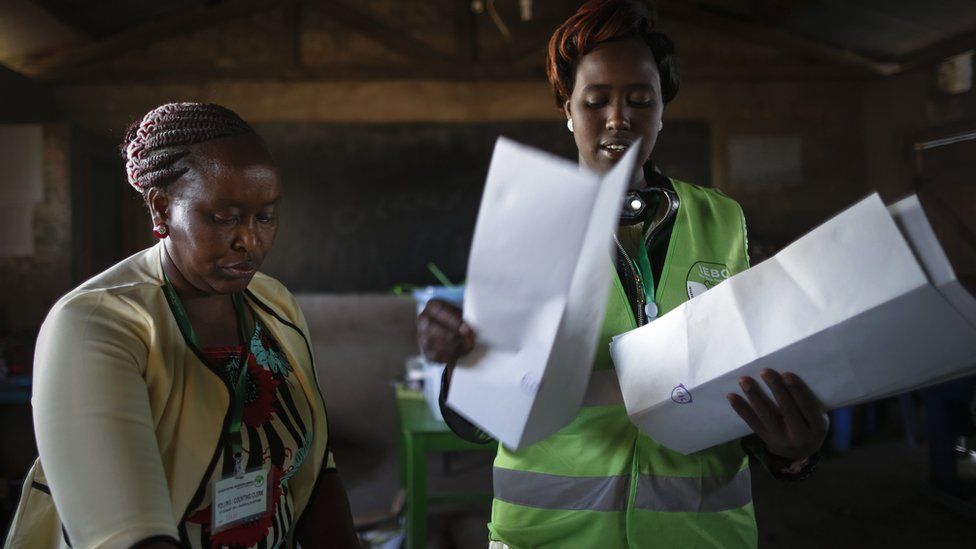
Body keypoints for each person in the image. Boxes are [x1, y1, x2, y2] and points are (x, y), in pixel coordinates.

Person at [418, 1, 828, 547]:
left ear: (662, 111)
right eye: (596, 101)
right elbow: (475, 420)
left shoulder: (722, 219)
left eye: (641, 99)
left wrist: (792, 452)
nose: (618, 118)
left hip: (701, 535)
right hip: (551, 536)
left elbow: (744, 376)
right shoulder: (524, 223)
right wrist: (458, 364)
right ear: (567, 108)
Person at [4, 103, 359, 548]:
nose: (249, 240)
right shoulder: (97, 325)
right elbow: (129, 538)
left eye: (265, 217)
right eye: (224, 217)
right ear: (162, 208)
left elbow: (315, 472)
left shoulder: (275, 305)